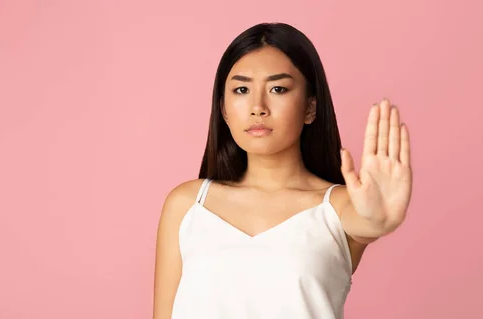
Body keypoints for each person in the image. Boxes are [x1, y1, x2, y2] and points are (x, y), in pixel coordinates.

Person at [153, 22, 413, 319]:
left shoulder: (339, 206)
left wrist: (380, 220)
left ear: (310, 108)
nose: (258, 107)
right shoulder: (188, 205)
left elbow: (366, 222)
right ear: (224, 109)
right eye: (241, 89)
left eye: (278, 88)